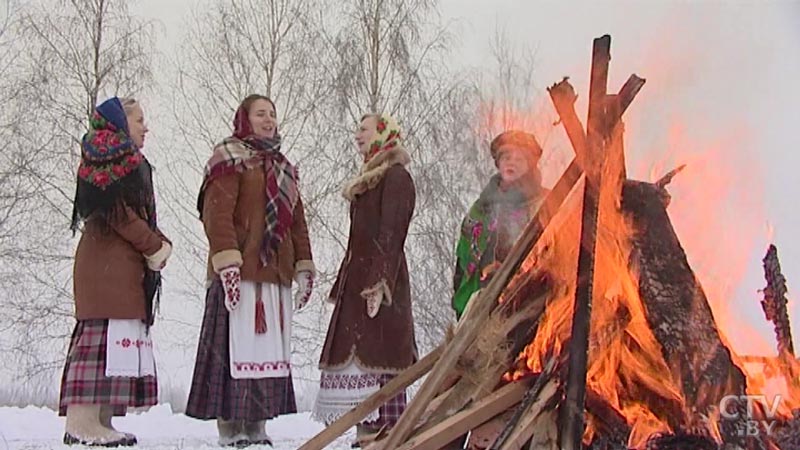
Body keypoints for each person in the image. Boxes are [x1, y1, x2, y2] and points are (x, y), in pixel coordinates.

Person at [185, 94, 315, 447]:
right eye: (261, 114)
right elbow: (217, 214)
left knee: (263, 353)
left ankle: (257, 426)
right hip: (240, 272)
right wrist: (227, 261)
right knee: (235, 350)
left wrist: (304, 264)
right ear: (244, 119)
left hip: (273, 275)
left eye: (272, 114)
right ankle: (230, 428)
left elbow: (297, 223)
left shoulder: (285, 169)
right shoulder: (228, 159)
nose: (269, 119)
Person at [59, 96, 172, 446]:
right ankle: (82, 423)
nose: (146, 127)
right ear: (121, 123)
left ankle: (100, 422)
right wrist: (154, 245)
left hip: (116, 265)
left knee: (111, 349)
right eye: (139, 120)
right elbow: (119, 213)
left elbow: (131, 213)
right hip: (108, 266)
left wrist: (156, 241)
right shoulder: (111, 158)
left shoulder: (114, 158)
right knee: (100, 345)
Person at [312, 113, 417, 447]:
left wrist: (379, 282)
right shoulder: (369, 179)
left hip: (382, 287)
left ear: (384, 134)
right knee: (360, 365)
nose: (357, 134)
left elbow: (391, 234)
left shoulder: (396, 177)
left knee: (379, 358)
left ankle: (385, 437)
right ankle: (365, 437)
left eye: (364, 129)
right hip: (357, 284)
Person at [452, 130, 549, 319]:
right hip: (480, 307)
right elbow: (463, 262)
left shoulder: (544, 203)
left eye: (519, 159)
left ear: (530, 165)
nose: (511, 162)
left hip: (528, 306)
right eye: (506, 157)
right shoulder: (480, 209)